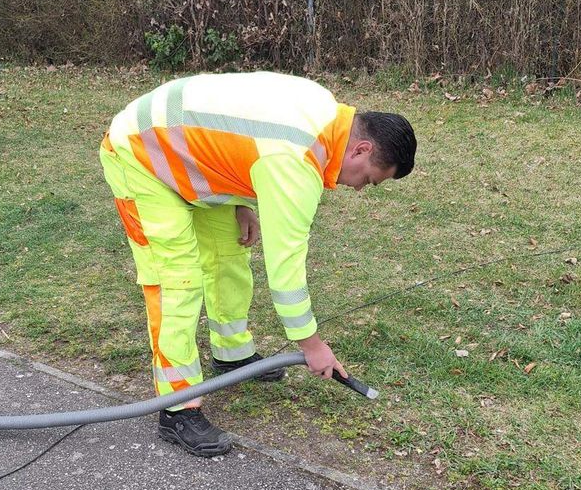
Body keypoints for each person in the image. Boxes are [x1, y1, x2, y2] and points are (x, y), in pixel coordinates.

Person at [100, 71, 416, 457]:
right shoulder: (296, 162)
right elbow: (286, 275)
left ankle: (231, 355)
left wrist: (238, 200)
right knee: (176, 282)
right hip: (142, 154)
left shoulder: (327, 114)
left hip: (185, 149)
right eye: (369, 180)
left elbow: (234, 134)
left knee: (229, 255)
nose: (358, 188)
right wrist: (312, 346)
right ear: (361, 150)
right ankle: (177, 407)